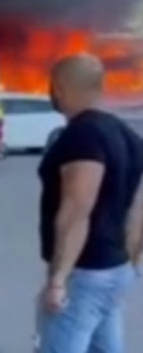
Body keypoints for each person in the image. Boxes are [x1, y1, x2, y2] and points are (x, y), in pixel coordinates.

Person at [35, 54, 143, 353]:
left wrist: (58, 280)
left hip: (85, 272)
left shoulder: (82, 136)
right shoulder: (126, 134)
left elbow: (76, 211)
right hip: (115, 267)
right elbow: (138, 206)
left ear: (60, 86)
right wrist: (132, 260)